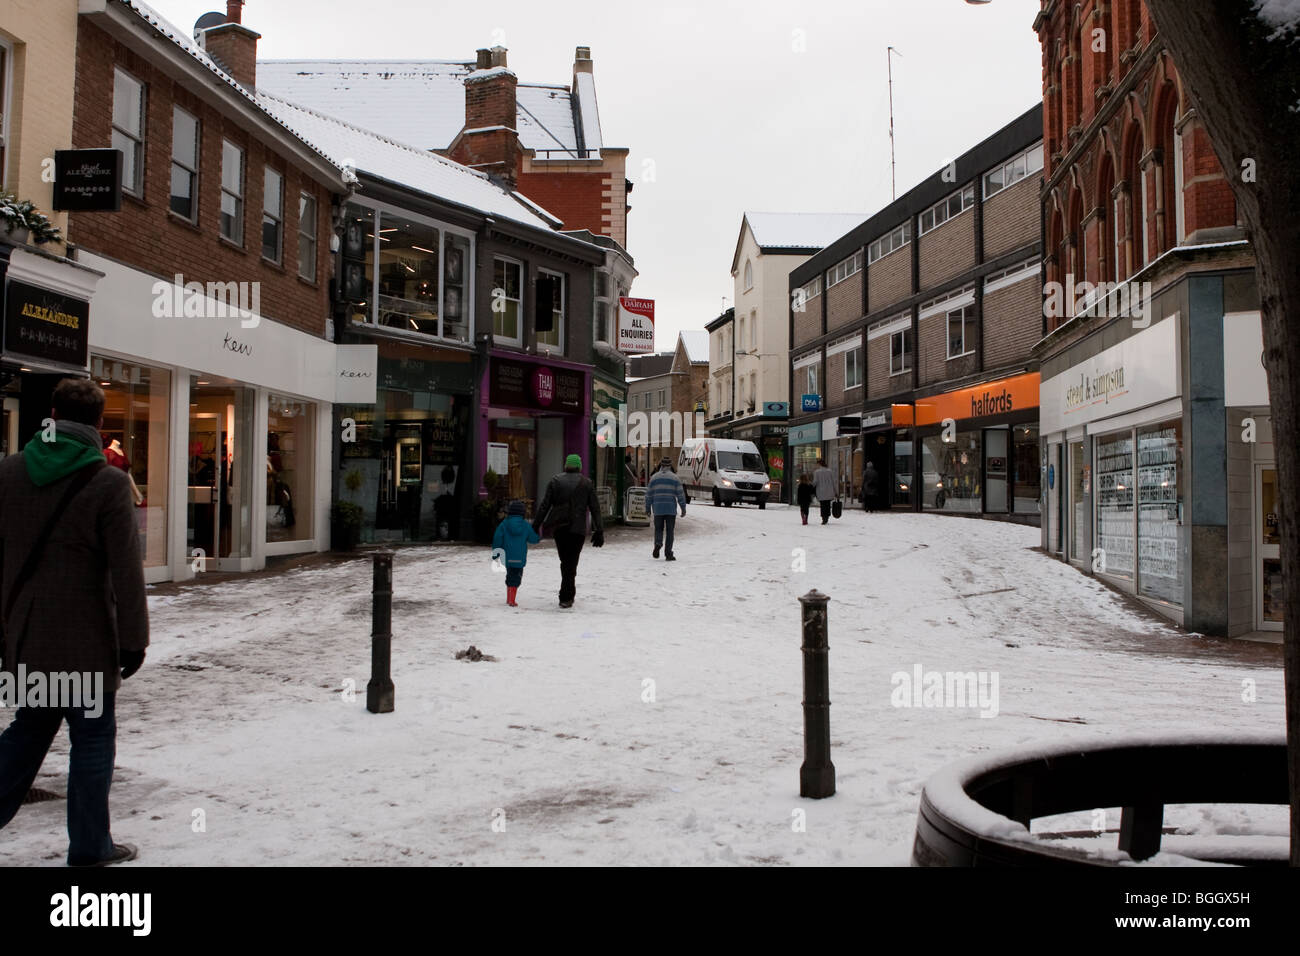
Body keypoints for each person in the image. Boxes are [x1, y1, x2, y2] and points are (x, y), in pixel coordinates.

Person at [0, 378, 149, 866]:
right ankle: (90, 847)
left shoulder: (11, 471)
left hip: (27, 634)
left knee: (27, 733)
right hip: (86, 641)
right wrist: (134, 641)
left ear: (51, 412)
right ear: (99, 423)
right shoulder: (107, 482)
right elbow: (126, 570)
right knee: (91, 741)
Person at [533, 453, 604, 608]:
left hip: (560, 527)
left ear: (566, 465)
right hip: (578, 529)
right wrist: (599, 529)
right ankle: (566, 596)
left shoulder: (555, 481)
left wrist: (536, 525)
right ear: (579, 466)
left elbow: (545, 505)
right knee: (571, 562)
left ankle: (565, 595)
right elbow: (595, 508)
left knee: (566, 561)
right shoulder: (587, 483)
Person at [492, 499, 539, 607]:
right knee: (516, 577)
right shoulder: (525, 525)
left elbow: (497, 539)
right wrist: (538, 537)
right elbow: (533, 539)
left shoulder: (504, 524)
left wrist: (496, 554)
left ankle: (509, 598)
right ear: (522, 513)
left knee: (510, 576)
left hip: (507, 557)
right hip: (519, 558)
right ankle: (512, 600)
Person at [646, 456, 687, 560]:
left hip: (658, 508)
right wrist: (683, 508)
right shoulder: (675, 478)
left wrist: (647, 508)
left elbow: (648, 495)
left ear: (661, 465)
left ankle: (658, 543)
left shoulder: (654, 478)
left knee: (658, 529)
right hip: (670, 509)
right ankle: (668, 553)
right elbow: (680, 495)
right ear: (670, 465)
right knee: (670, 531)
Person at [812, 459, 837, 525]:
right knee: (827, 504)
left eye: (817, 464)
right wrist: (835, 491)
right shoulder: (830, 471)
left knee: (823, 505)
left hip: (821, 491)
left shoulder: (817, 472)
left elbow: (815, 482)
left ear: (819, 464)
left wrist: (811, 486)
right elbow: (833, 482)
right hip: (829, 491)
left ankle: (824, 518)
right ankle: (827, 517)